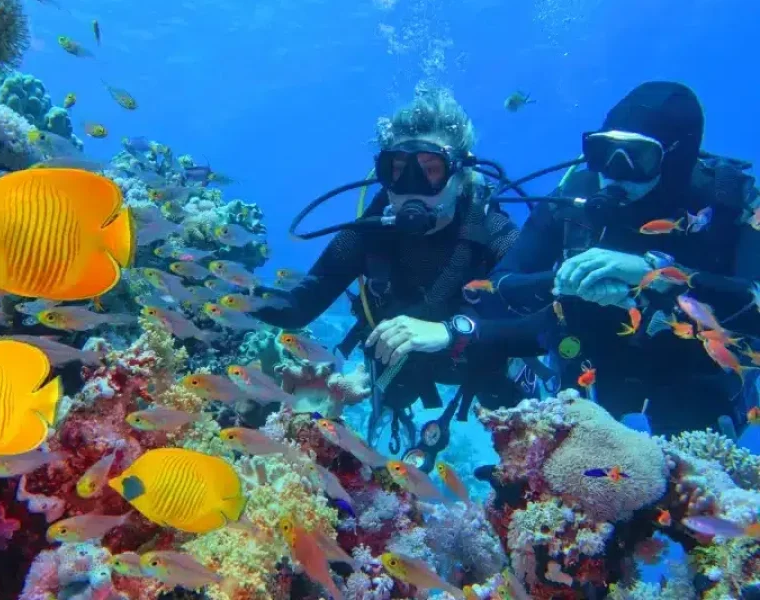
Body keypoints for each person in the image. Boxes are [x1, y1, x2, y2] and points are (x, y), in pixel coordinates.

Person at [253, 85, 525, 469]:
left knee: (518, 413)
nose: (411, 188)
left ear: (461, 176)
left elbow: (539, 313)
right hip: (403, 365)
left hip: (477, 360)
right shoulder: (369, 232)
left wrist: (455, 329)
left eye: (430, 171)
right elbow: (300, 305)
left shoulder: (493, 232)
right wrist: (234, 294)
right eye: (397, 172)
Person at [482, 81, 760, 435]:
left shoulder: (728, 203)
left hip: (693, 381)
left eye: (638, 158)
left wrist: (657, 274)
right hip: (592, 374)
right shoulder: (574, 195)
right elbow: (499, 284)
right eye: (602, 152)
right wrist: (566, 283)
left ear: (675, 158)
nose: (612, 171)